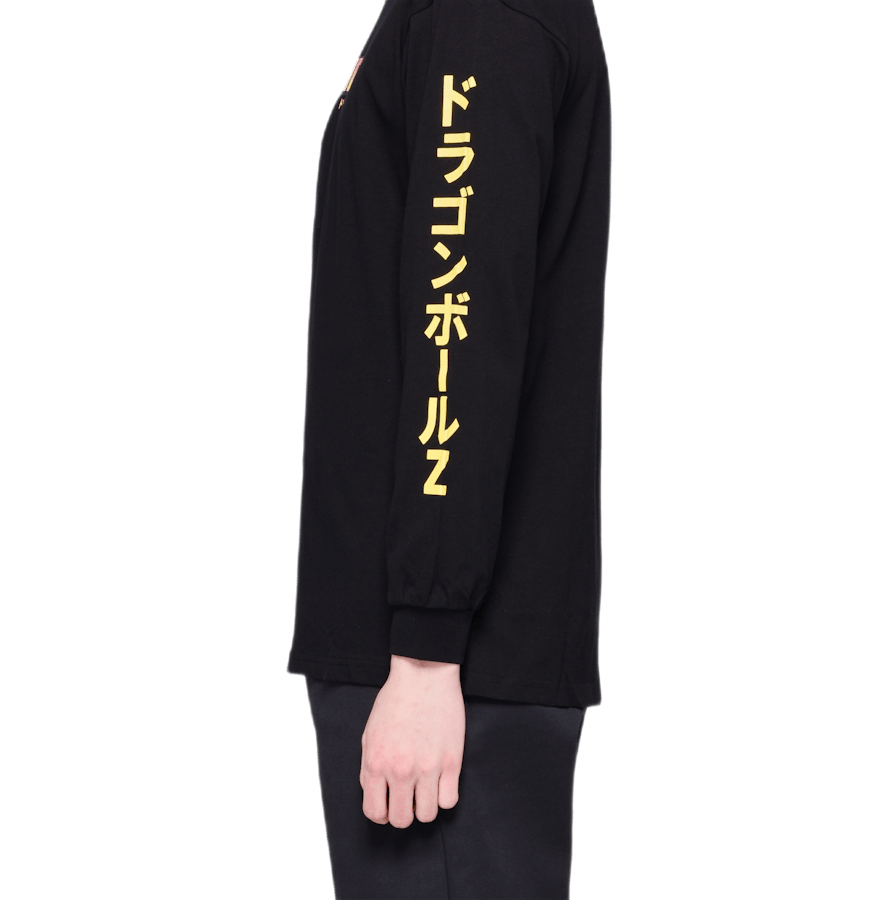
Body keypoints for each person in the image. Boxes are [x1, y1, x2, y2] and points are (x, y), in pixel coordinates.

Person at [287, 0, 612, 897]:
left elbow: (457, 330)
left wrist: (426, 656)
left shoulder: (478, 16)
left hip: (447, 672)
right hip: (444, 656)